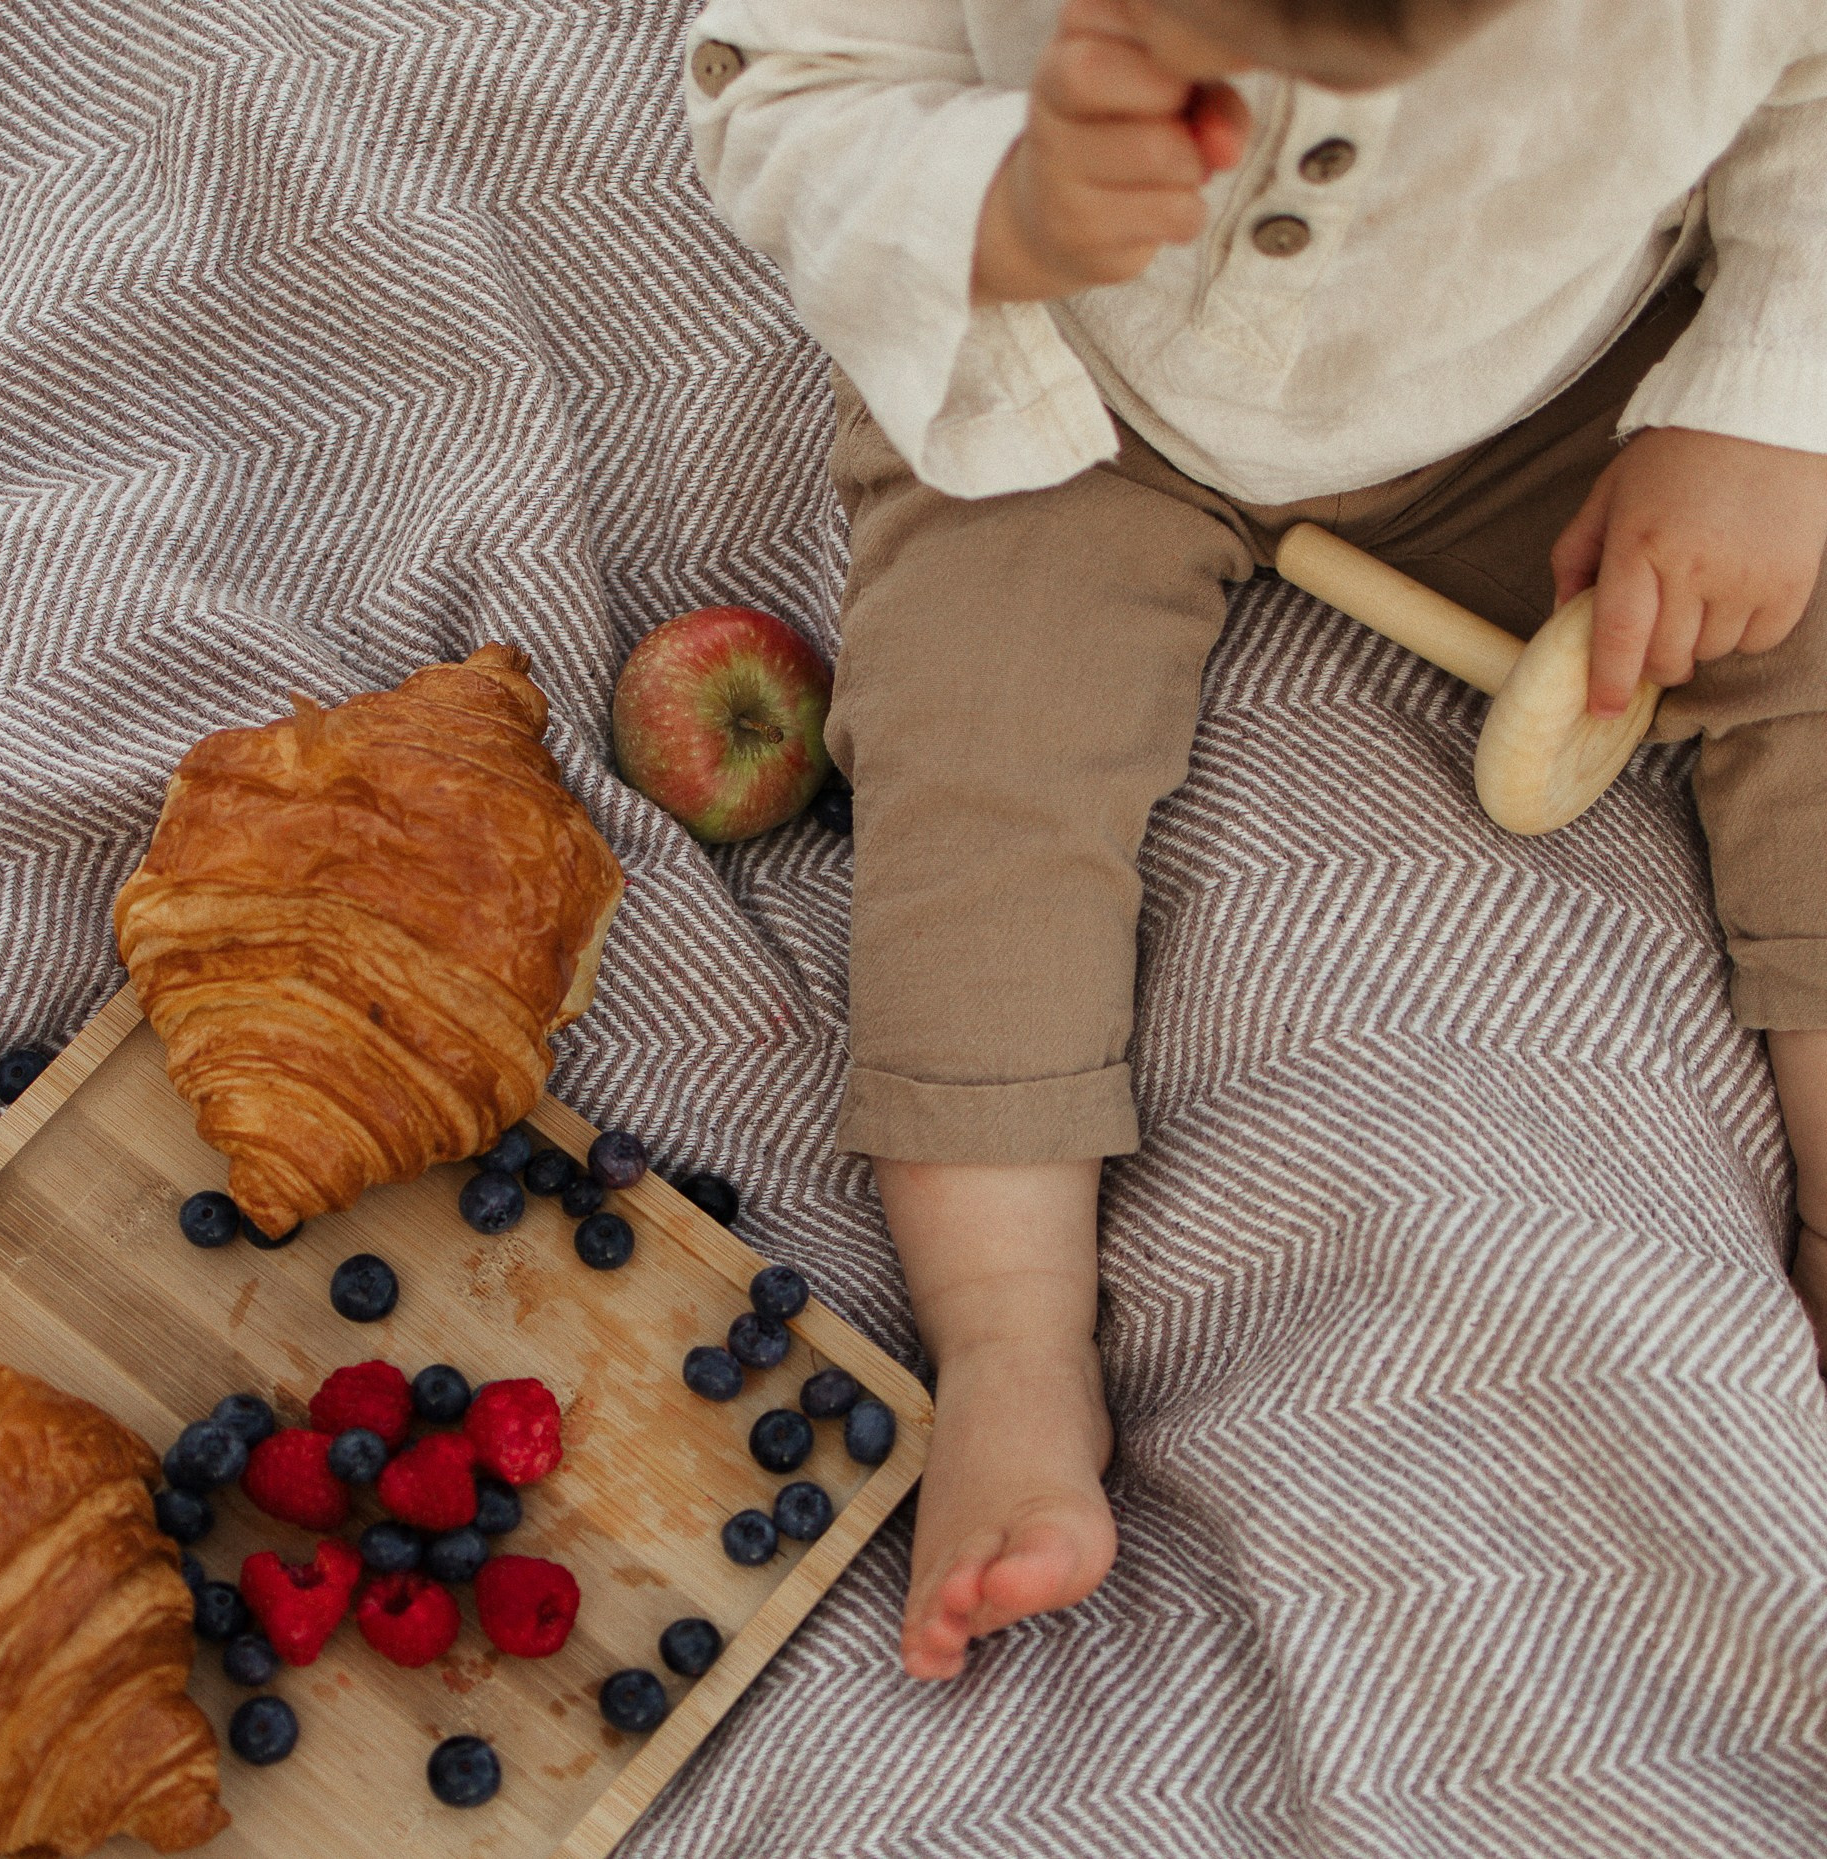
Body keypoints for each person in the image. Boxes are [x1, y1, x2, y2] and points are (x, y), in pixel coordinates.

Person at [683, 0, 1827, 1682]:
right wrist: (984, 201)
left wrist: (1763, 399)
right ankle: (1006, 1341)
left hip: (1565, 379)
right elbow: (776, 83)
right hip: (1074, 393)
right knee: (974, 762)